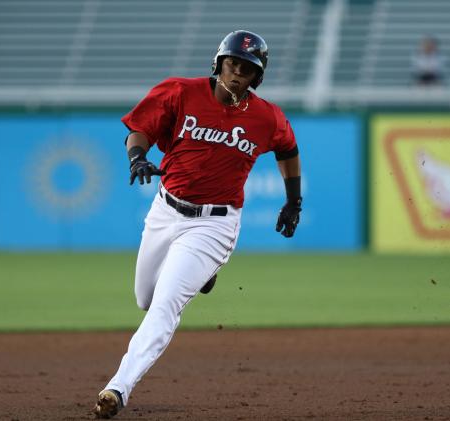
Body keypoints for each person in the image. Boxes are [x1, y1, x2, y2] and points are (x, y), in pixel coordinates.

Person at [93, 29, 302, 418]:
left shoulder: (265, 116)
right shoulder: (180, 92)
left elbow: (288, 150)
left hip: (214, 224)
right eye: (232, 64)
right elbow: (139, 129)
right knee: (145, 298)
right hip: (165, 210)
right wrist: (137, 157)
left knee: (165, 306)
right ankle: (204, 276)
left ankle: (117, 387)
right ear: (219, 63)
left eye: (247, 68)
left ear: (257, 77)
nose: (237, 73)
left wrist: (294, 201)